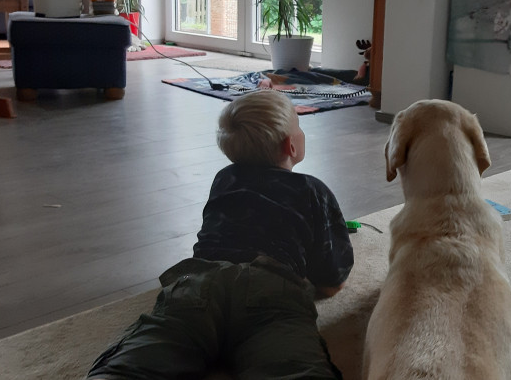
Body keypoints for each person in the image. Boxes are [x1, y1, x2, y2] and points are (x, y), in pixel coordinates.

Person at [87, 90, 355, 380]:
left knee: (133, 365)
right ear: (291, 145)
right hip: (272, 291)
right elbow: (331, 282)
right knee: (292, 369)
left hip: (199, 284)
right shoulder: (312, 189)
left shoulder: (224, 179)